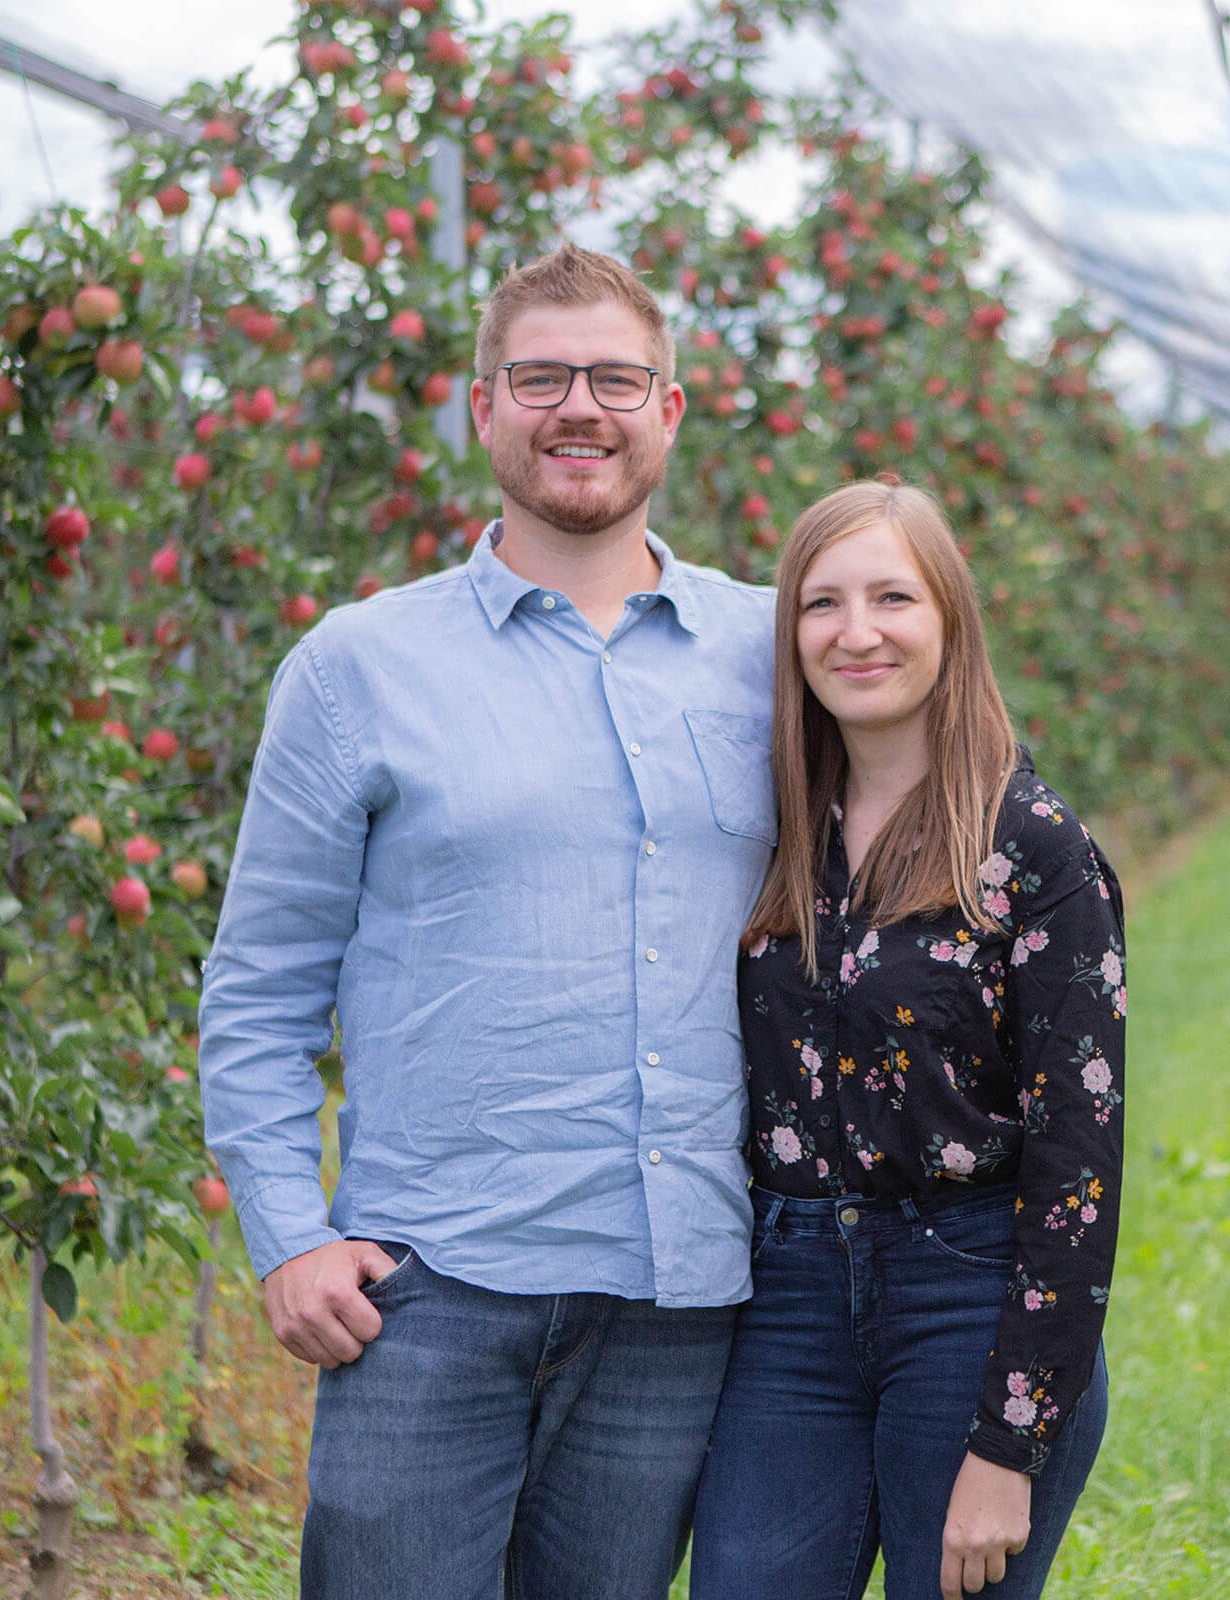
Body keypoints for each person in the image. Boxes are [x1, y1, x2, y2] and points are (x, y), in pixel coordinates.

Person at [197, 245, 776, 1600]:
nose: (581, 406)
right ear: (481, 406)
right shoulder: (358, 666)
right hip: (431, 1290)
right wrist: (286, 1233)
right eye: (541, 377)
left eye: (617, 377)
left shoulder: (768, 656)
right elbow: (260, 986)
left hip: (677, 1295)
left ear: (670, 409)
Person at [690, 480, 1126, 1600]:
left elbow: (1078, 1168)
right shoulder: (773, 827)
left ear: (949, 621)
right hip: (787, 1296)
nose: (857, 631)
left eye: (892, 597)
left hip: (968, 1291)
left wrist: (1009, 1442)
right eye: (820, 603)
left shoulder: (1032, 852)